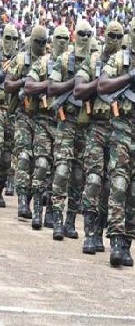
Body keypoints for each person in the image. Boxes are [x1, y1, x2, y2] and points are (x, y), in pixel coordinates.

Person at [98, 15, 135, 267]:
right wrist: (129, 78)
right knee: (119, 185)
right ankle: (117, 240)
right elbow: (103, 86)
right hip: (121, 129)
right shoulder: (118, 59)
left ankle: (128, 240)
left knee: (134, 190)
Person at [75, 21, 124, 255]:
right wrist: (101, 83)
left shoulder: (127, 63)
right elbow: (78, 90)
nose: (114, 40)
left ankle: (106, 231)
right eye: (111, 35)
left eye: (119, 36)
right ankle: (90, 233)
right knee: (93, 179)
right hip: (97, 127)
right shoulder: (93, 61)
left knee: (112, 185)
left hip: (121, 129)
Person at [49, 21, 92, 241]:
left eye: (89, 34)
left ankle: (71, 220)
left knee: (78, 175)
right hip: (66, 122)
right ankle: (57, 218)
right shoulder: (65, 60)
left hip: (86, 125)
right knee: (62, 170)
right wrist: (72, 85)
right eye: (81, 33)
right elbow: (51, 88)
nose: (85, 37)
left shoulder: (95, 61)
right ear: (75, 36)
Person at [27, 25, 69, 230]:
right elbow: (28, 86)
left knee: (59, 172)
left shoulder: (71, 66)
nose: (62, 41)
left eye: (65, 38)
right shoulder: (43, 63)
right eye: (58, 37)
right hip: (43, 122)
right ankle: (37, 210)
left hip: (64, 125)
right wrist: (50, 84)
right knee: (42, 164)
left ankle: (52, 212)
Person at [5, 28, 46, 221]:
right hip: (22, 114)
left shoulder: (48, 61)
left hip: (42, 117)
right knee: (22, 156)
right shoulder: (21, 60)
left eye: (43, 42)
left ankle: (32, 199)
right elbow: (7, 85)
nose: (40, 45)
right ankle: (22, 201)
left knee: (39, 162)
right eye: (37, 41)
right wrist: (23, 82)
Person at [0, 24, 19, 207]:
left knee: (7, 158)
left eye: (14, 39)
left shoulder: (19, 59)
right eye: (8, 38)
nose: (11, 42)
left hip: (12, 112)